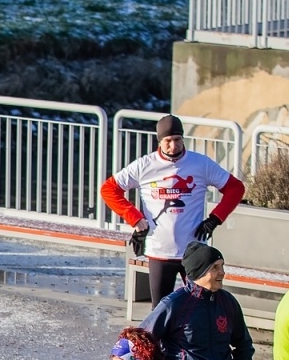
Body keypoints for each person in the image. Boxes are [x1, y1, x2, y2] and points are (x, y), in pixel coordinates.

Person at [100, 115, 247, 307]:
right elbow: (109, 189)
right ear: (159, 141)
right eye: (167, 141)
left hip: (194, 252)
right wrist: (135, 219)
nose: (173, 146)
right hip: (160, 250)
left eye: (177, 139)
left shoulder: (200, 164)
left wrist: (215, 219)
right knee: (161, 310)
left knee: (199, 308)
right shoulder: (145, 165)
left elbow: (235, 188)